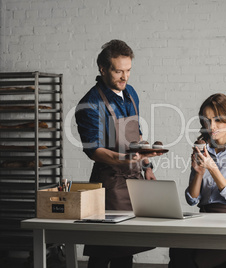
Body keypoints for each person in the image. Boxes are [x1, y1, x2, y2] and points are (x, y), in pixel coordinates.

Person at [75, 39, 159, 268]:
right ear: (103, 69)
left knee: (127, 245)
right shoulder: (90, 103)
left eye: (128, 70)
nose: (125, 77)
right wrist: (124, 159)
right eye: (118, 71)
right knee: (106, 246)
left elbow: (136, 135)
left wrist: (147, 166)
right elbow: (94, 151)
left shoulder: (130, 93)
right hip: (109, 182)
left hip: (134, 177)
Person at [169, 93, 226, 268]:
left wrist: (212, 168)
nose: (211, 127)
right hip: (204, 217)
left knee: (191, 261)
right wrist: (199, 172)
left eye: (217, 120)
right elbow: (192, 199)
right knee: (177, 250)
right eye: (207, 121)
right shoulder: (203, 148)